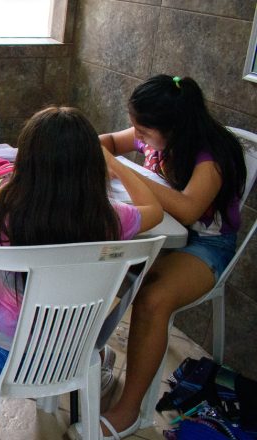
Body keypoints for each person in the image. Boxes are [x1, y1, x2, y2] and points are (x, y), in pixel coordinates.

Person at [0, 106, 162, 378]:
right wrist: (116, 163)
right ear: (93, 165)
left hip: (4, 355)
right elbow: (154, 209)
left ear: (25, 164)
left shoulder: (5, 220)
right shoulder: (110, 217)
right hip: (72, 353)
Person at [95, 75, 246, 439]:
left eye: (142, 130)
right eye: (134, 125)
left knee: (151, 299)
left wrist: (128, 172)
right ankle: (95, 359)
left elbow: (188, 211)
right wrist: (103, 150)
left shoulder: (210, 156)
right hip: (162, 233)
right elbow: (109, 142)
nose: (136, 134)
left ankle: (129, 410)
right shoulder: (156, 131)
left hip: (205, 246)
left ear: (174, 127)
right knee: (104, 269)